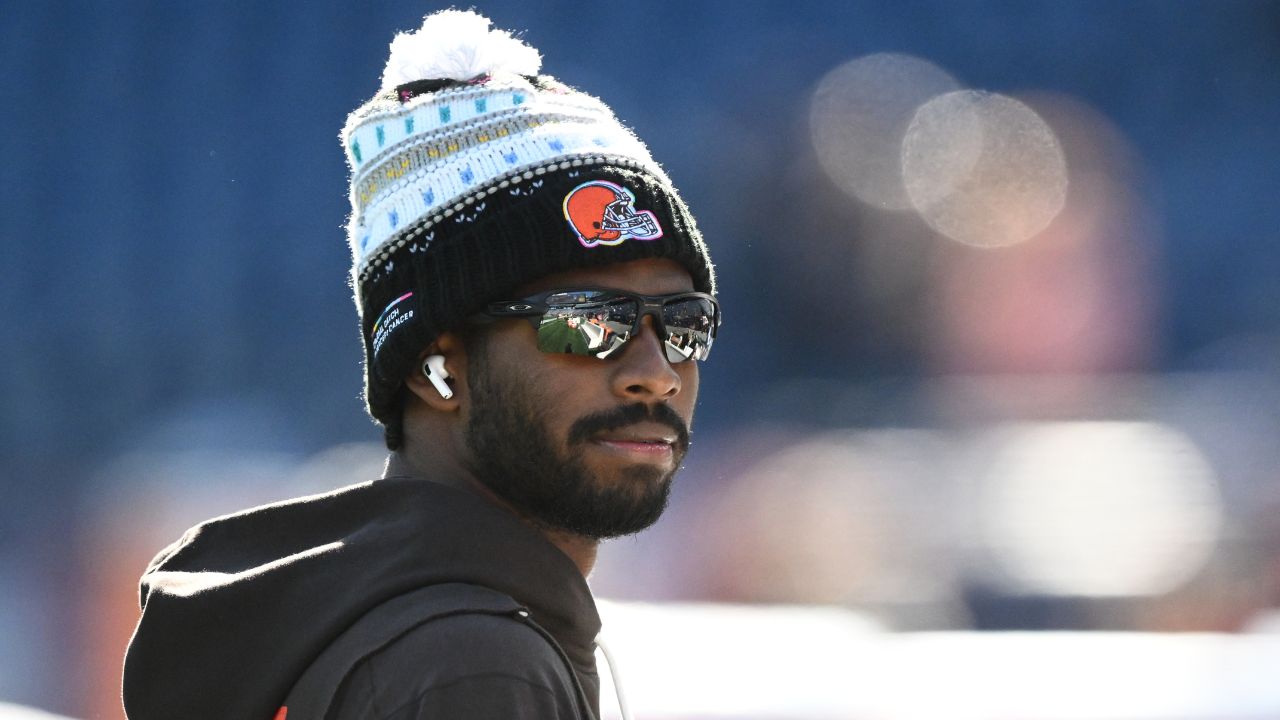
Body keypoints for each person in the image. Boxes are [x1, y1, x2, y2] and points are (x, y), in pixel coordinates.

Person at [121, 10, 718, 720]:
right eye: (590, 323)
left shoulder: (421, 629)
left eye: (686, 326)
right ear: (434, 365)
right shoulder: (472, 666)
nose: (657, 372)